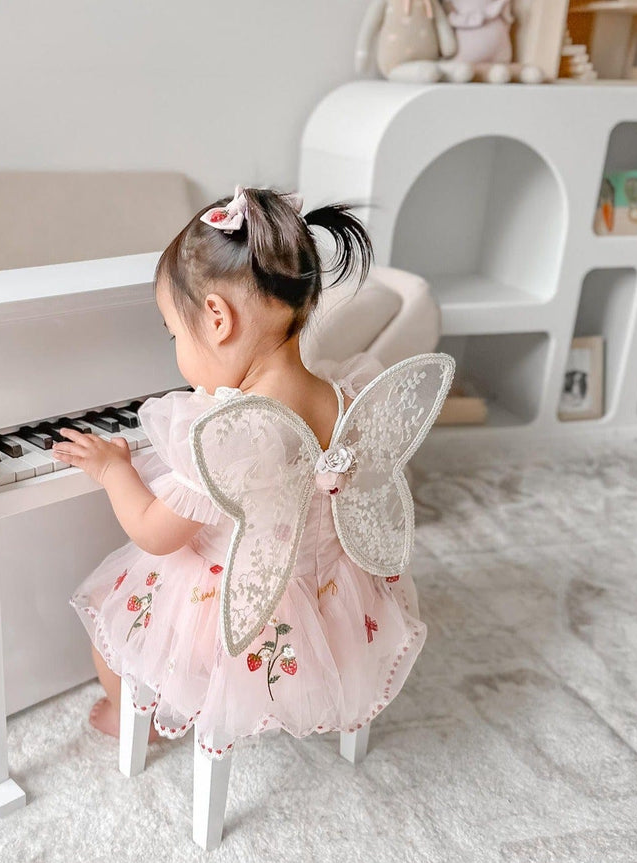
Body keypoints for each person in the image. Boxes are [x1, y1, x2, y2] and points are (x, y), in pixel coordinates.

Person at [53, 184, 433, 758]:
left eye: (173, 333)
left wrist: (112, 470)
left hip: (236, 617)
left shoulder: (225, 438)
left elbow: (154, 535)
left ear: (216, 318)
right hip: (334, 603)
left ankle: (128, 716)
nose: (176, 348)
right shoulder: (342, 393)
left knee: (116, 636)